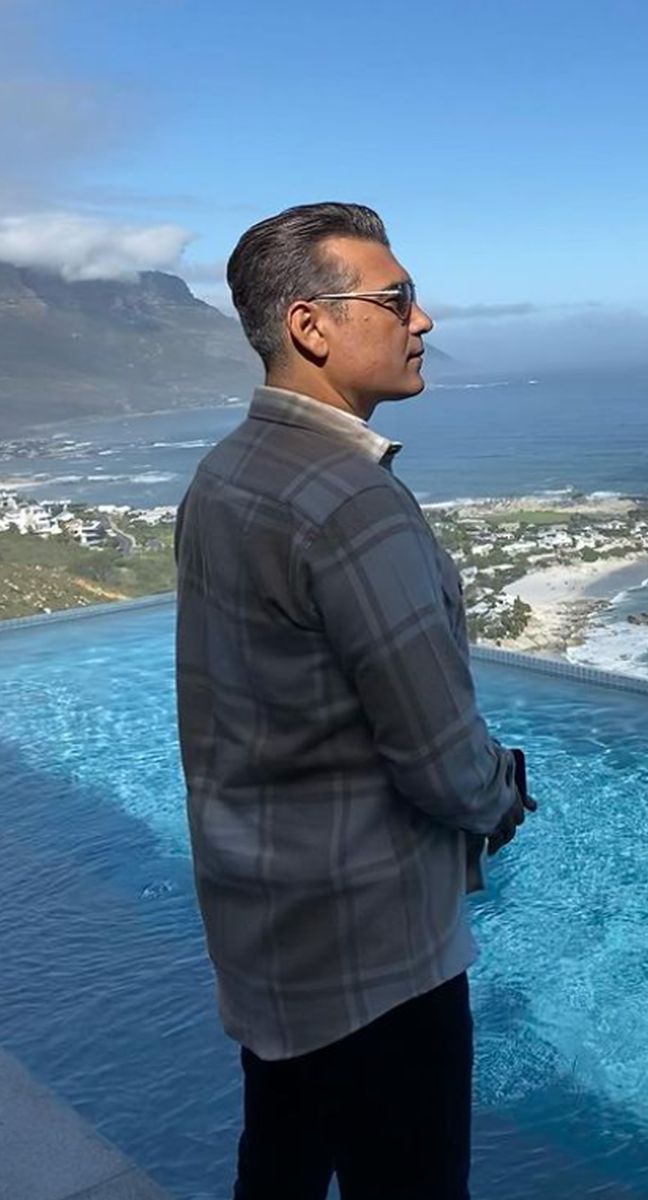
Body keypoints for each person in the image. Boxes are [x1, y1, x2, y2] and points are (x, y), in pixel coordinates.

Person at [174, 202, 535, 1200]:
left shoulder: (224, 475)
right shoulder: (348, 501)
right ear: (311, 326)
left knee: (280, 1164)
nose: (423, 320)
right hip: (375, 955)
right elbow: (439, 759)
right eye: (397, 299)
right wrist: (503, 792)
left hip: (266, 922)